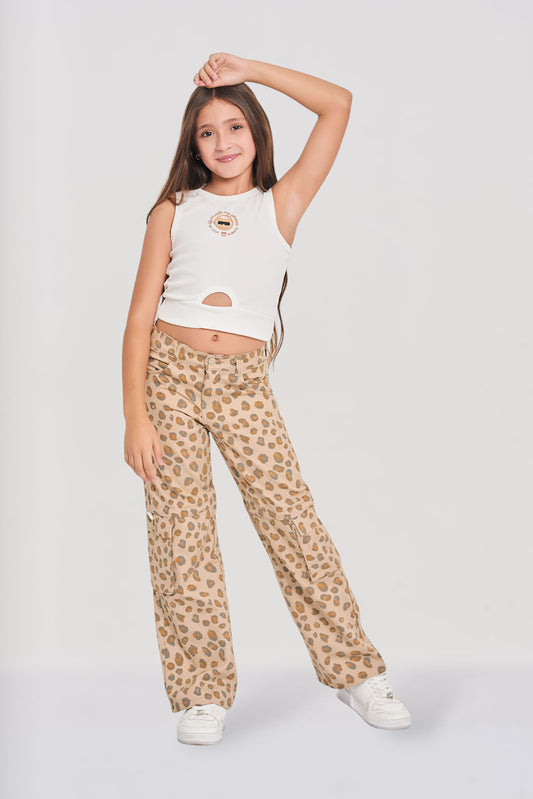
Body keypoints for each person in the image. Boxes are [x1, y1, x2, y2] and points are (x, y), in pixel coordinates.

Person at [122, 52, 411, 746]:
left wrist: (248, 69)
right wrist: (135, 415)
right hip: (169, 378)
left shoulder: (281, 203)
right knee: (182, 536)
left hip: (243, 383)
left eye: (235, 127)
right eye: (207, 132)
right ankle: (201, 692)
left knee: (293, 524)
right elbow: (137, 317)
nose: (223, 142)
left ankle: (355, 672)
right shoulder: (172, 211)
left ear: (256, 132)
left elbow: (338, 103)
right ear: (192, 145)